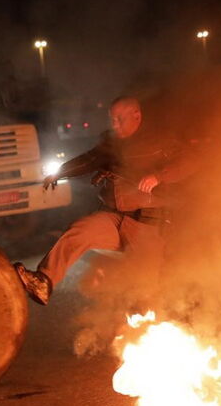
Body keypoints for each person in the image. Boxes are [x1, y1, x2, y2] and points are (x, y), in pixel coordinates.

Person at [14, 96, 193, 305]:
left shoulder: (160, 140)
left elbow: (190, 160)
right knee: (79, 231)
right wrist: (60, 173)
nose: (114, 124)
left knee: (146, 291)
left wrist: (159, 176)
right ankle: (44, 280)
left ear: (137, 115)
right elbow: (88, 160)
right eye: (112, 119)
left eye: (119, 119)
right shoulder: (112, 145)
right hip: (114, 220)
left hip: (147, 226)